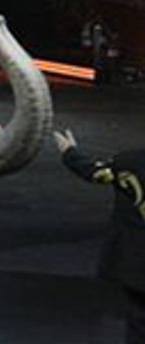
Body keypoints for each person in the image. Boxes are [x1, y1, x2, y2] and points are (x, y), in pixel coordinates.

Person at [54, 129, 145, 343]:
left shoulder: (129, 162)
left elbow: (93, 172)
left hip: (137, 266)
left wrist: (69, 152)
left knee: (138, 322)